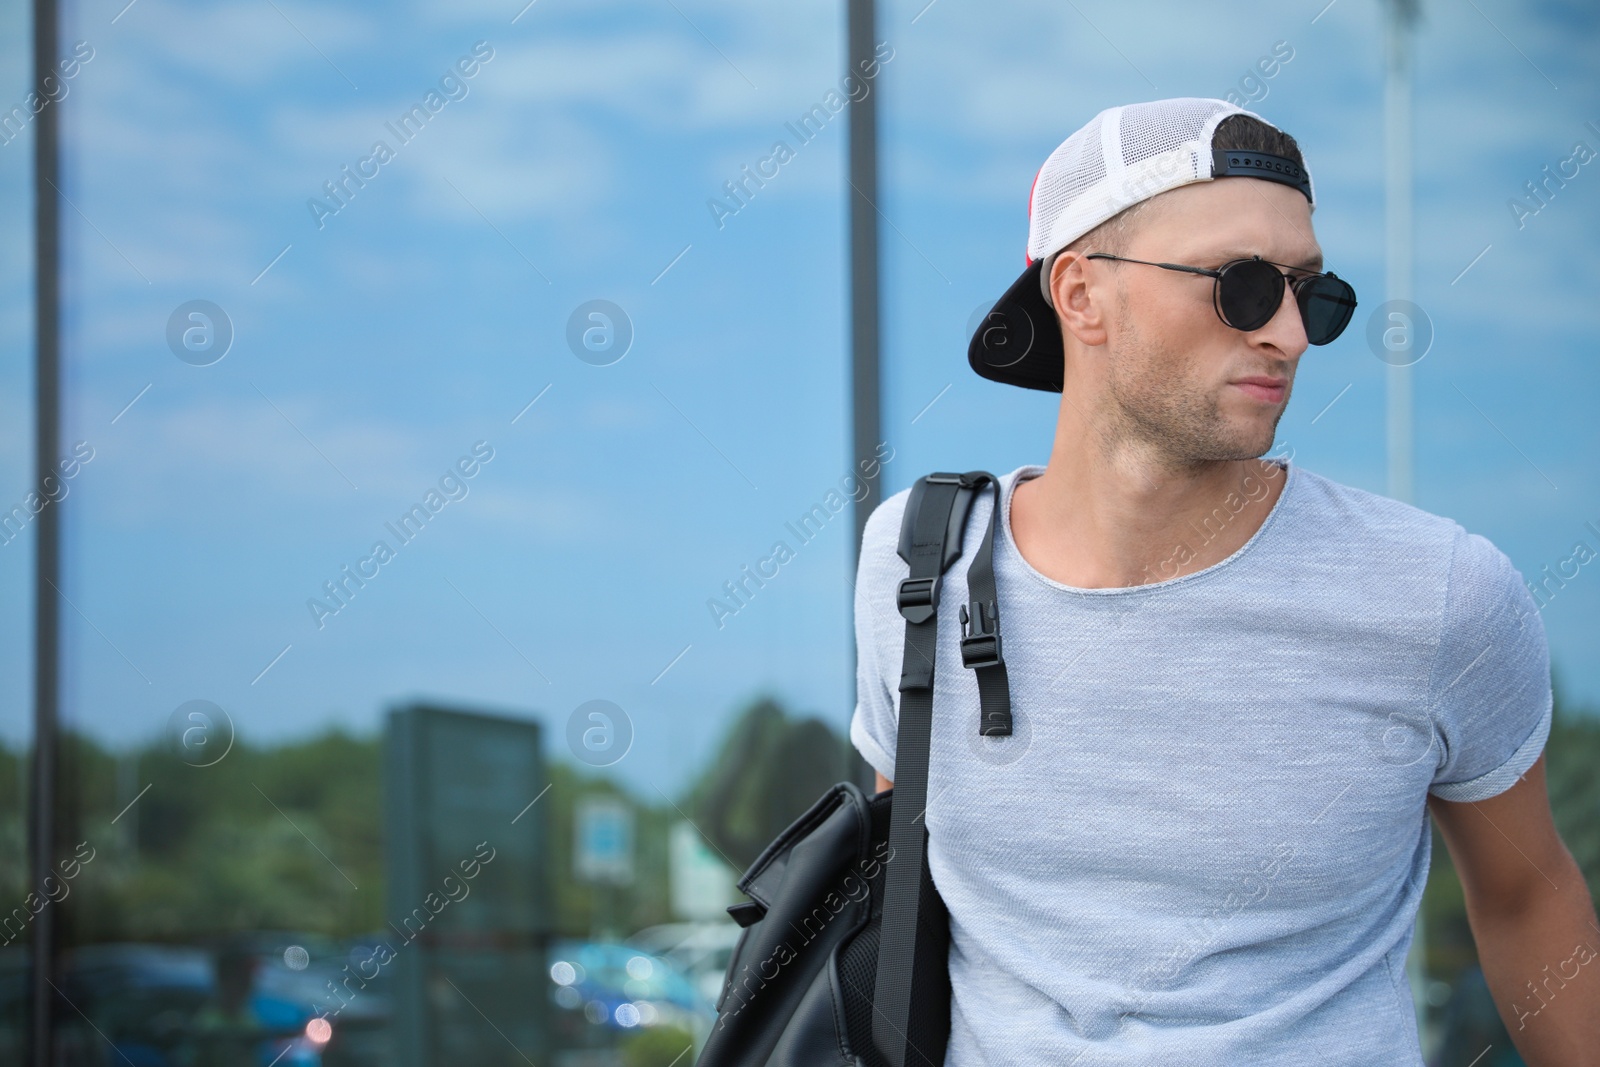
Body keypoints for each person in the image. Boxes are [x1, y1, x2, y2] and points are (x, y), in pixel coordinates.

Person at [849, 97, 1598, 1065]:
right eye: (1243, 285)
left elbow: (1527, 897)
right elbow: (895, 897)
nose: (1288, 334)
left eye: (1310, 293)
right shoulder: (915, 564)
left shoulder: (1439, 594)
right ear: (1080, 294)